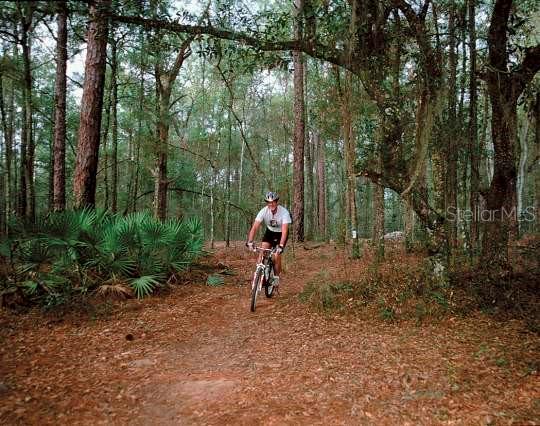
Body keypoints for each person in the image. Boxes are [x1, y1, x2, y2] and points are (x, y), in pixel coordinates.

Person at [246, 191, 292, 287]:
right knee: (262, 251)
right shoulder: (263, 211)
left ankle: (276, 277)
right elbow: (255, 227)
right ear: (267, 203)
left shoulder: (284, 213)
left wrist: (281, 246)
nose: (271, 204)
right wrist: (250, 241)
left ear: (276, 202)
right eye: (269, 202)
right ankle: (259, 275)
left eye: (273, 202)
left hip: (280, 234)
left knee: (276, 255)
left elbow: (284, 231)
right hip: (270, 232)